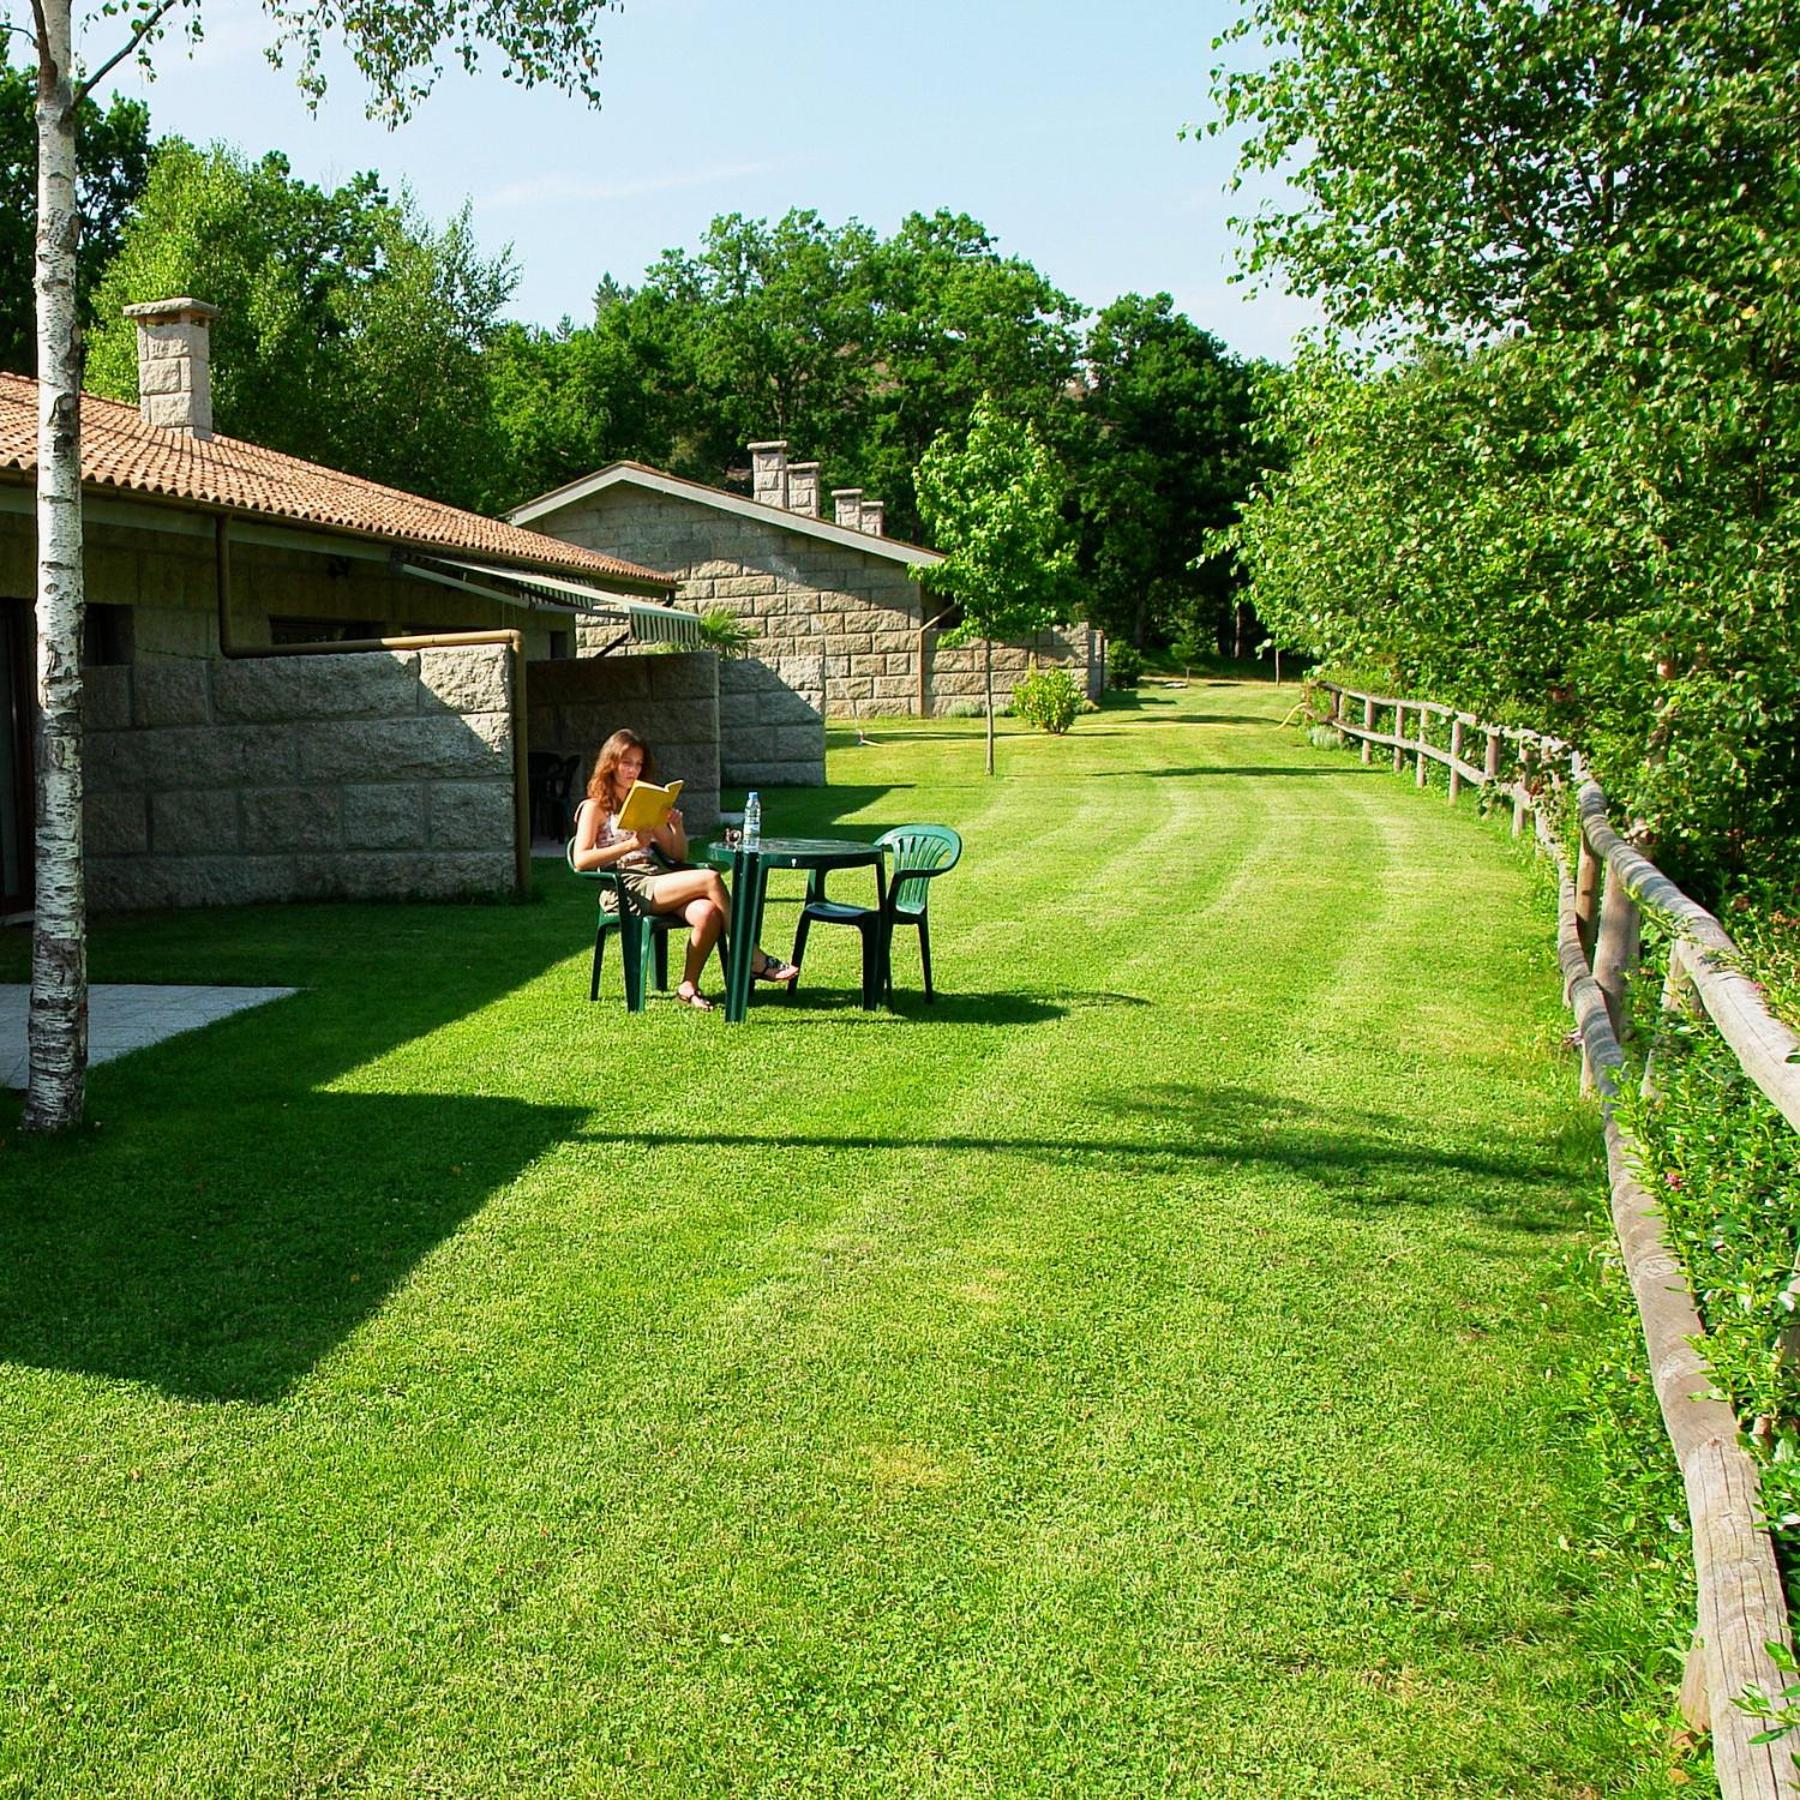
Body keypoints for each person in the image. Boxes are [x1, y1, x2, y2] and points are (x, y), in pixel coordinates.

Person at [570, 728, 797, 1011]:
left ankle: (688, 986)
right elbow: (581, 860)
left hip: (655, 879)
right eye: (627, 763)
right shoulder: (594, 808)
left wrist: (676, 827)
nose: (633, 770)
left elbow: (678, 855)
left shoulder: (642, 801)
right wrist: (630, 845)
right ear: (611, 764)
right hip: (623, 887)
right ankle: (753, 957)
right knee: (711, 878)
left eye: (638, 764)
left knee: (708, 912)